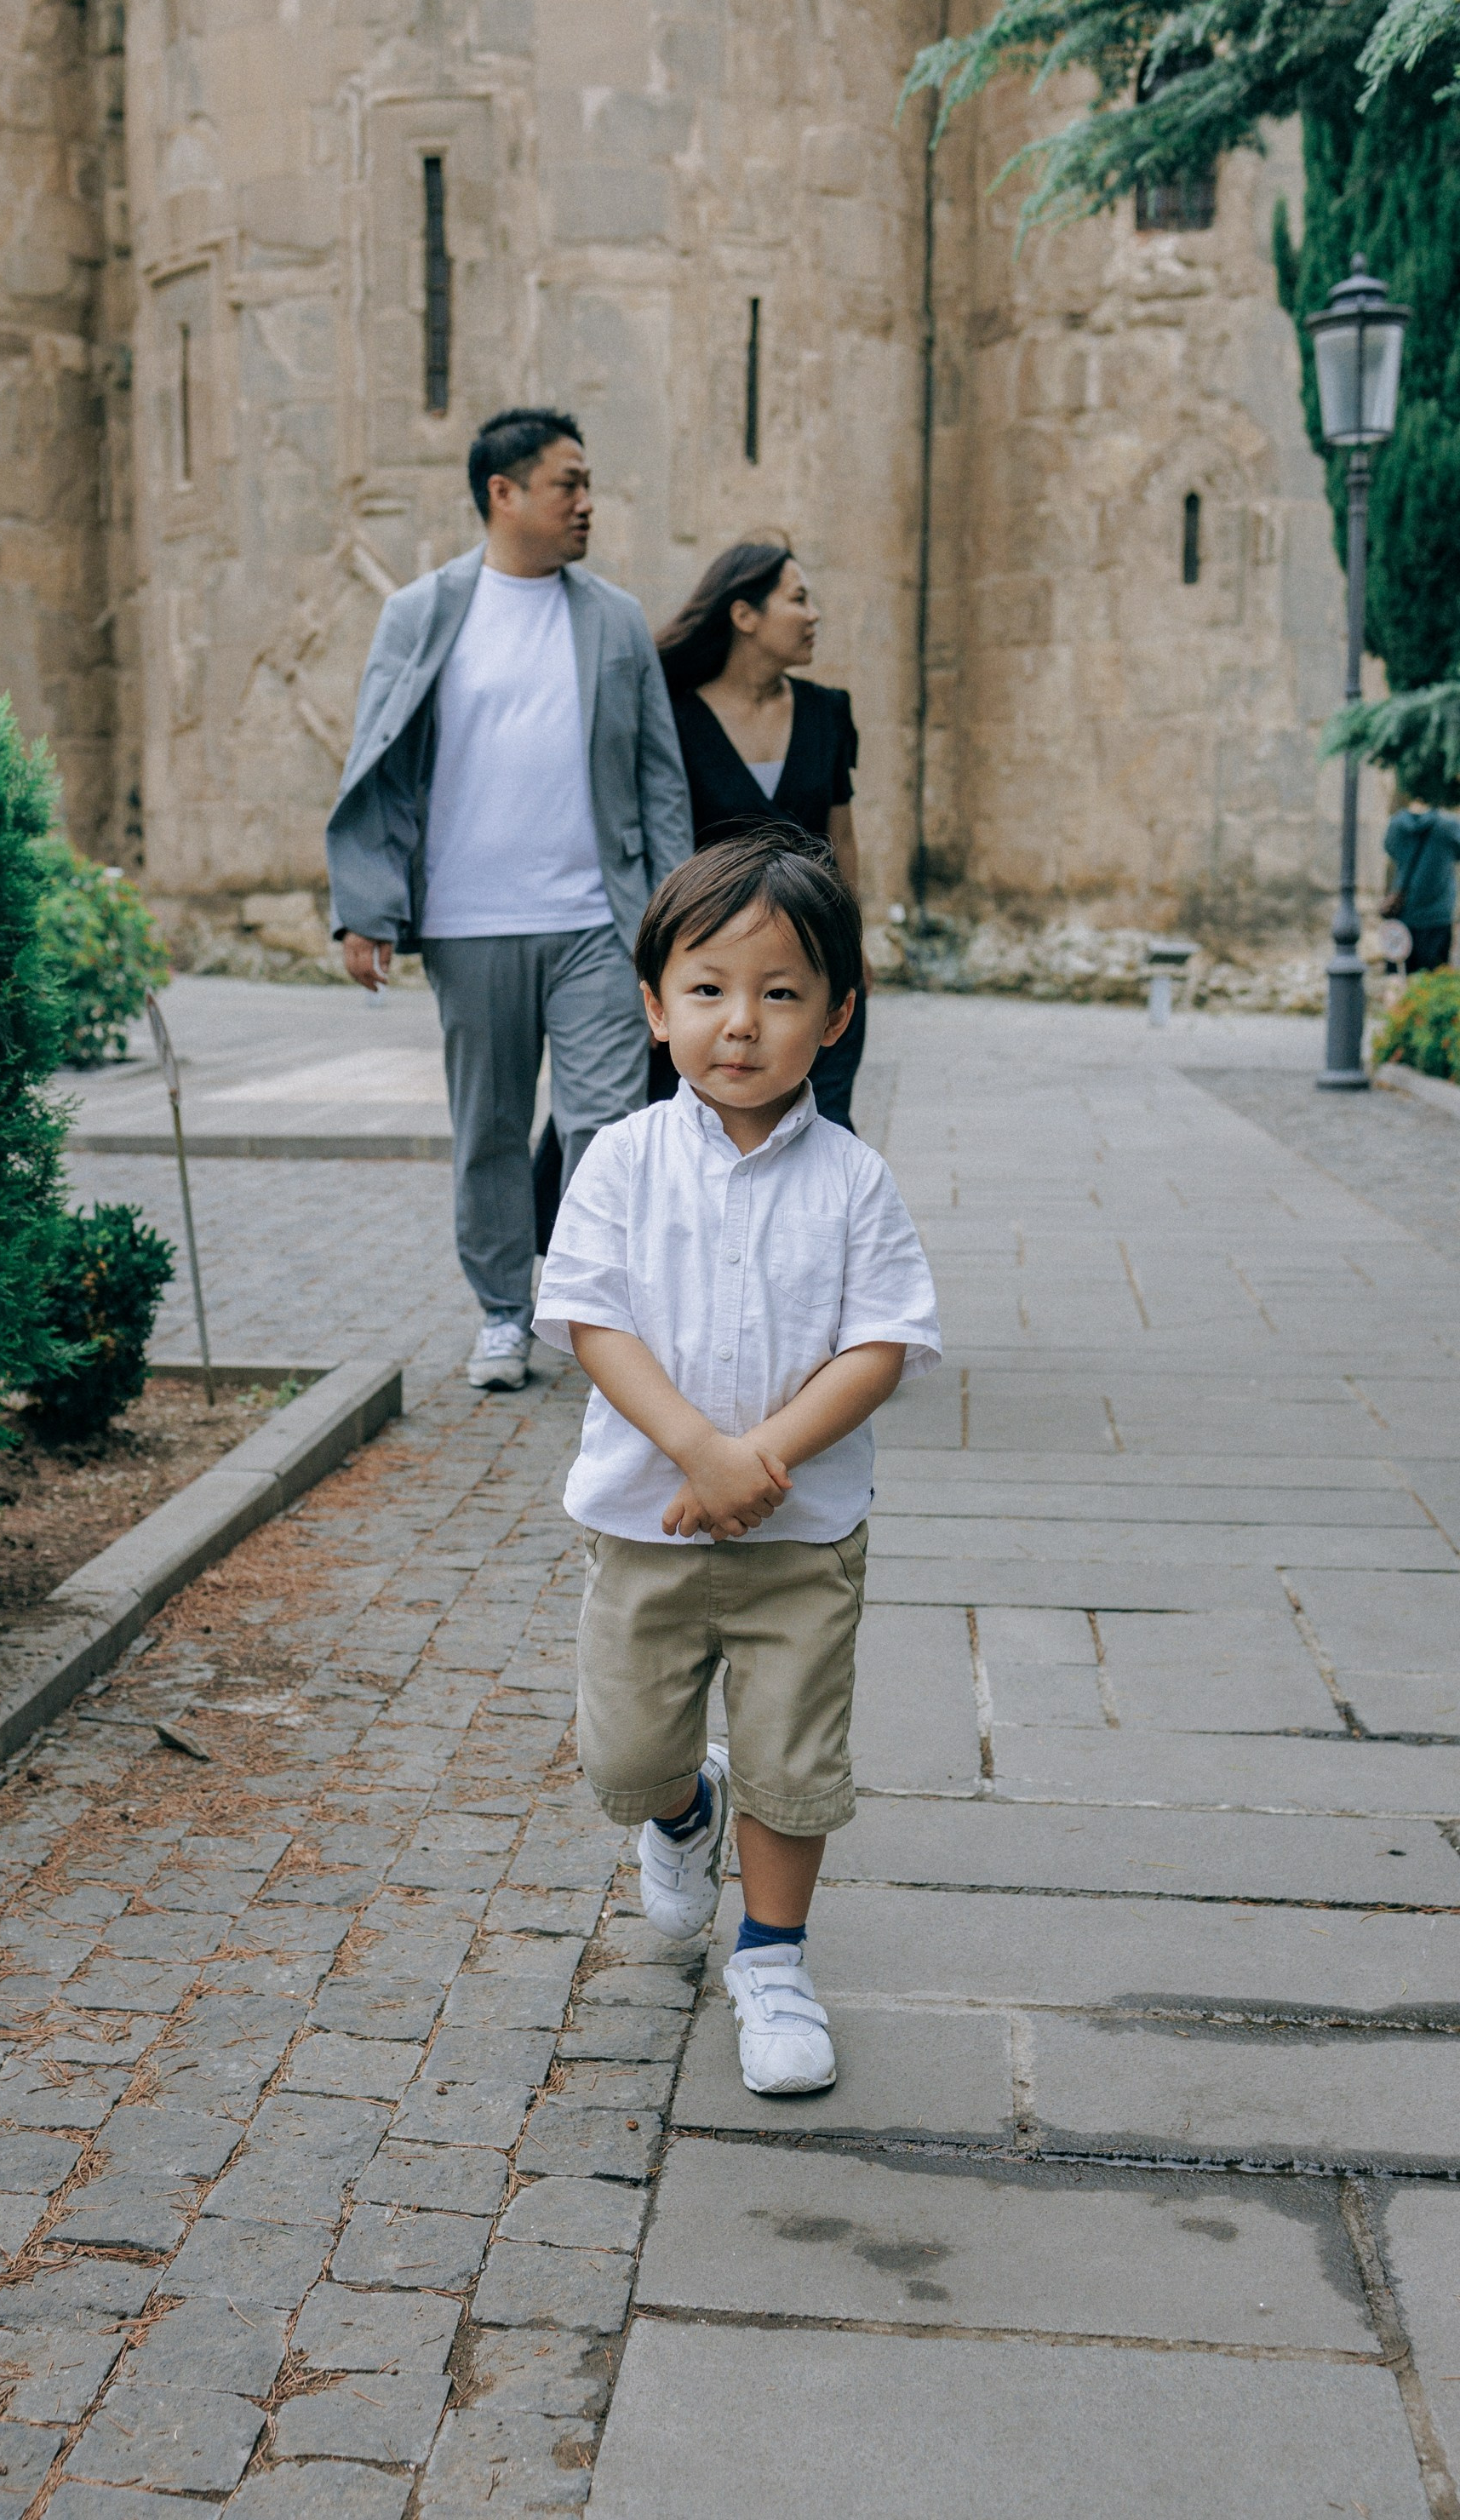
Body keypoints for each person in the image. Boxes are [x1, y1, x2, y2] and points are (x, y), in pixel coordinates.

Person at [533, 830, 941, 2096]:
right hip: (644, 1531)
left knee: (795, 1760)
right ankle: (679, 1811)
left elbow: (884, 1341)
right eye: (709, 991)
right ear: (656, 1009)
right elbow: (592, 1318)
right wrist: (697, 1449)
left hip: (800, 1537)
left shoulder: (855, 1180)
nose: (742, 1025)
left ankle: (771, 1962)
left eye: (781, 993)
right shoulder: (620, 1158)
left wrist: (758, 1457)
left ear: (838, 1016)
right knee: (625, 1759)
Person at [326, 409, 692, 1391]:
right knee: (488, 1128)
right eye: (567, 483)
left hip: (596, 923)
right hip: (467, 922)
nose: (585, 502)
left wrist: (673, 924)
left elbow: (659, 776)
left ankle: (590, 1309)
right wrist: (367, 908)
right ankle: (500, 1312)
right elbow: (383, 765)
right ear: (504, 494)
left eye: (585, 483)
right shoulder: (420, 612)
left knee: (605, 1126)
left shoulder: (612, 616)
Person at [654, 542, 868, 1129]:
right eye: (798, 599)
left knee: (826, 1123)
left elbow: (840, 837)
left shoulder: (827, 711)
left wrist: (854, 941)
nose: (814, 615)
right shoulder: (672, 717)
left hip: (810, 960)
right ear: (744, 616)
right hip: (717, 975)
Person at [1383, 799, 1460, 973]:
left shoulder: (1396, 825)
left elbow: (1389, 848)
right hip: (1437, 915)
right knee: (1434, 980)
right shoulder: (1449, 826)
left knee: (1400, 978)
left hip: (1403, 913)